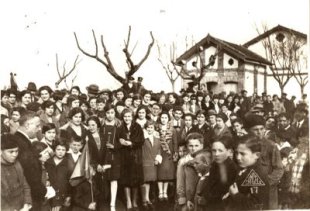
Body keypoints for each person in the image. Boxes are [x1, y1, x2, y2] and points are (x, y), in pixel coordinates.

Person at [244, 114, 284, 209]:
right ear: (248, 131)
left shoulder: (271, 146)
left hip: (268, 191)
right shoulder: (243, 145)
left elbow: (279, 169)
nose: (260, 132)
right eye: (256, 130)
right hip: (247, 189)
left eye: (262, 129)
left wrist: (265, 183)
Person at [225, 134, 270, 210]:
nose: (238, 157)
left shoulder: (256, 175)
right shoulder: (244, 167)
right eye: (236, 153)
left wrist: (236, 195)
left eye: (243, 154)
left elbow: (256, 207)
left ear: (257, 155)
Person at [15, 110, 48, 210]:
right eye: (37, 126)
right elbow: (29, 173)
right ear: (28, 125)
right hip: (30, 196)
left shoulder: (20, 140)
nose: (39, 129)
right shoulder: (22, 143)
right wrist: (43, 191)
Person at [118, 108, 145, 210]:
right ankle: (128, 201)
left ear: (132, 117)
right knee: (126, 180)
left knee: (135, 180)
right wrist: (120, 141)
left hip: (135, 156)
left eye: (129, 116)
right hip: (124, 156)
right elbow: (117, 139)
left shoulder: (137, 127)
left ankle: (134, 201)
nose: (127, 118)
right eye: (125, 116)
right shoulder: (120, 127)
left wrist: (131, 143)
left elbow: (141, 140)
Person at [204, 136, 237, 211]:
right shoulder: (214, 165)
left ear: (229, 152)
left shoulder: (232, 168)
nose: (216, 154)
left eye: (220, 150)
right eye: (214, 150)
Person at [1, 134, 32, 211]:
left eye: (16, 151)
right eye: (11, 152)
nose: (14, 155)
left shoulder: (17, 163)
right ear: (0, 151)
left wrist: (26, 203)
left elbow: (25, 185)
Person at [176, 132, 204, 211]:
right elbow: (180, 182)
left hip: (201, 198)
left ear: (202, 146)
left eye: (196, 146)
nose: (193, 148)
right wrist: (182, 200)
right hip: (188, 197)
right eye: (191, 146)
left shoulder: (206, 160)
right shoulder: (183, 161)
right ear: (187, 146)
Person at [100, 105, 121, 208]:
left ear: (115, 113)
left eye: (112, 112)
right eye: (108, 113)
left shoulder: (119, 126)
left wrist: (115, 146)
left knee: (114, 179)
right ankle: (103, 203)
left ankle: (112, 204)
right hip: (103, 156)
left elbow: (123, 142)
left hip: (115, 156)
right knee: (103, 179)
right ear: (105, 114)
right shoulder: (101, 125)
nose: (110, 115)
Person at [141, 120, 162, 210]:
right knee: (144, 182)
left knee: (149, 182)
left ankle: (147, 199)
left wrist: (158, 159)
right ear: (145, 128)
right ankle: (144, 200)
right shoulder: (143, 139)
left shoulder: (157, 139)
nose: (149, 129)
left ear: (154, 129)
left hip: (153, 163)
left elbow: (158, 150)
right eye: (148, 127)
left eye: (151, 127)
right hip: (145, 162)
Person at [45, 141, 71, 211]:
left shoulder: (69, 163)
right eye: (58, 149)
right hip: (49, 196)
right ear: (54, 150)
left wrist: (69, 196)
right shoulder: (47, 162)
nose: (61, 152)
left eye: (63, 150)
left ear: (66, 151)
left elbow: (71, 182)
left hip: (63, 196)